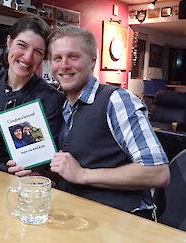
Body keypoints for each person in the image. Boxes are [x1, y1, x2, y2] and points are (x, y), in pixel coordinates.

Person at [47, 26, 170, 219]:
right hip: (78, 216)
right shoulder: (65, 107)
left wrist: (83, 175)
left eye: (73, 56)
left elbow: (158, 172)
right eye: (57, 58)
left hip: (123, 223)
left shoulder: (117, 100)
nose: (64, 65)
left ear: (93, 60)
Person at [0, 16, 65, 176]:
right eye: (22, 45)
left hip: (25, 186)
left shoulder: (52, 99)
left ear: (43, 58)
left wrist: (34, 173)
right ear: (8, 42)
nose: (27, 57)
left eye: (37, 52)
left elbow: (50, 168)